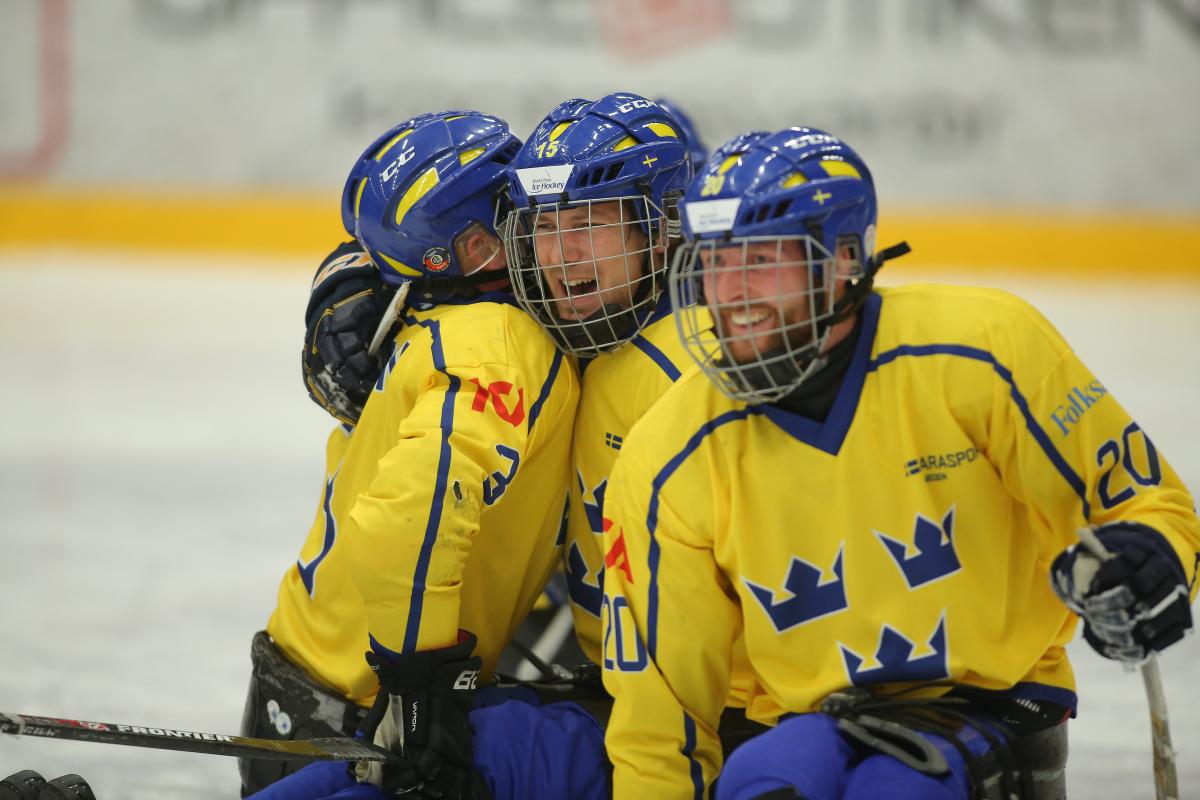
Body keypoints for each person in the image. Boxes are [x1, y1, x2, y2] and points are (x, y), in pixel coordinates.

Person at [598, 127, 1200, 799]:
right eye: (715, 263)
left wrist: (1147, 558)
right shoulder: (666, 451)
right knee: (762, 784)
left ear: (844, 260)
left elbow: (1146, 504)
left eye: (762, 259)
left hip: (991, 699)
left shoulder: (984, 350)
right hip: (809, 721)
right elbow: (660, 719)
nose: (732, 294)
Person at [240, 110, 589, 799]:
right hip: (367, 705)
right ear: (475, 246)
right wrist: (422, 691)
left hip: (308, 671)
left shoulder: (423, 310)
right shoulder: (501, 341)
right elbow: (406, 519)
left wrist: (339, 279)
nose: (546, 224)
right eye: (512, 209)